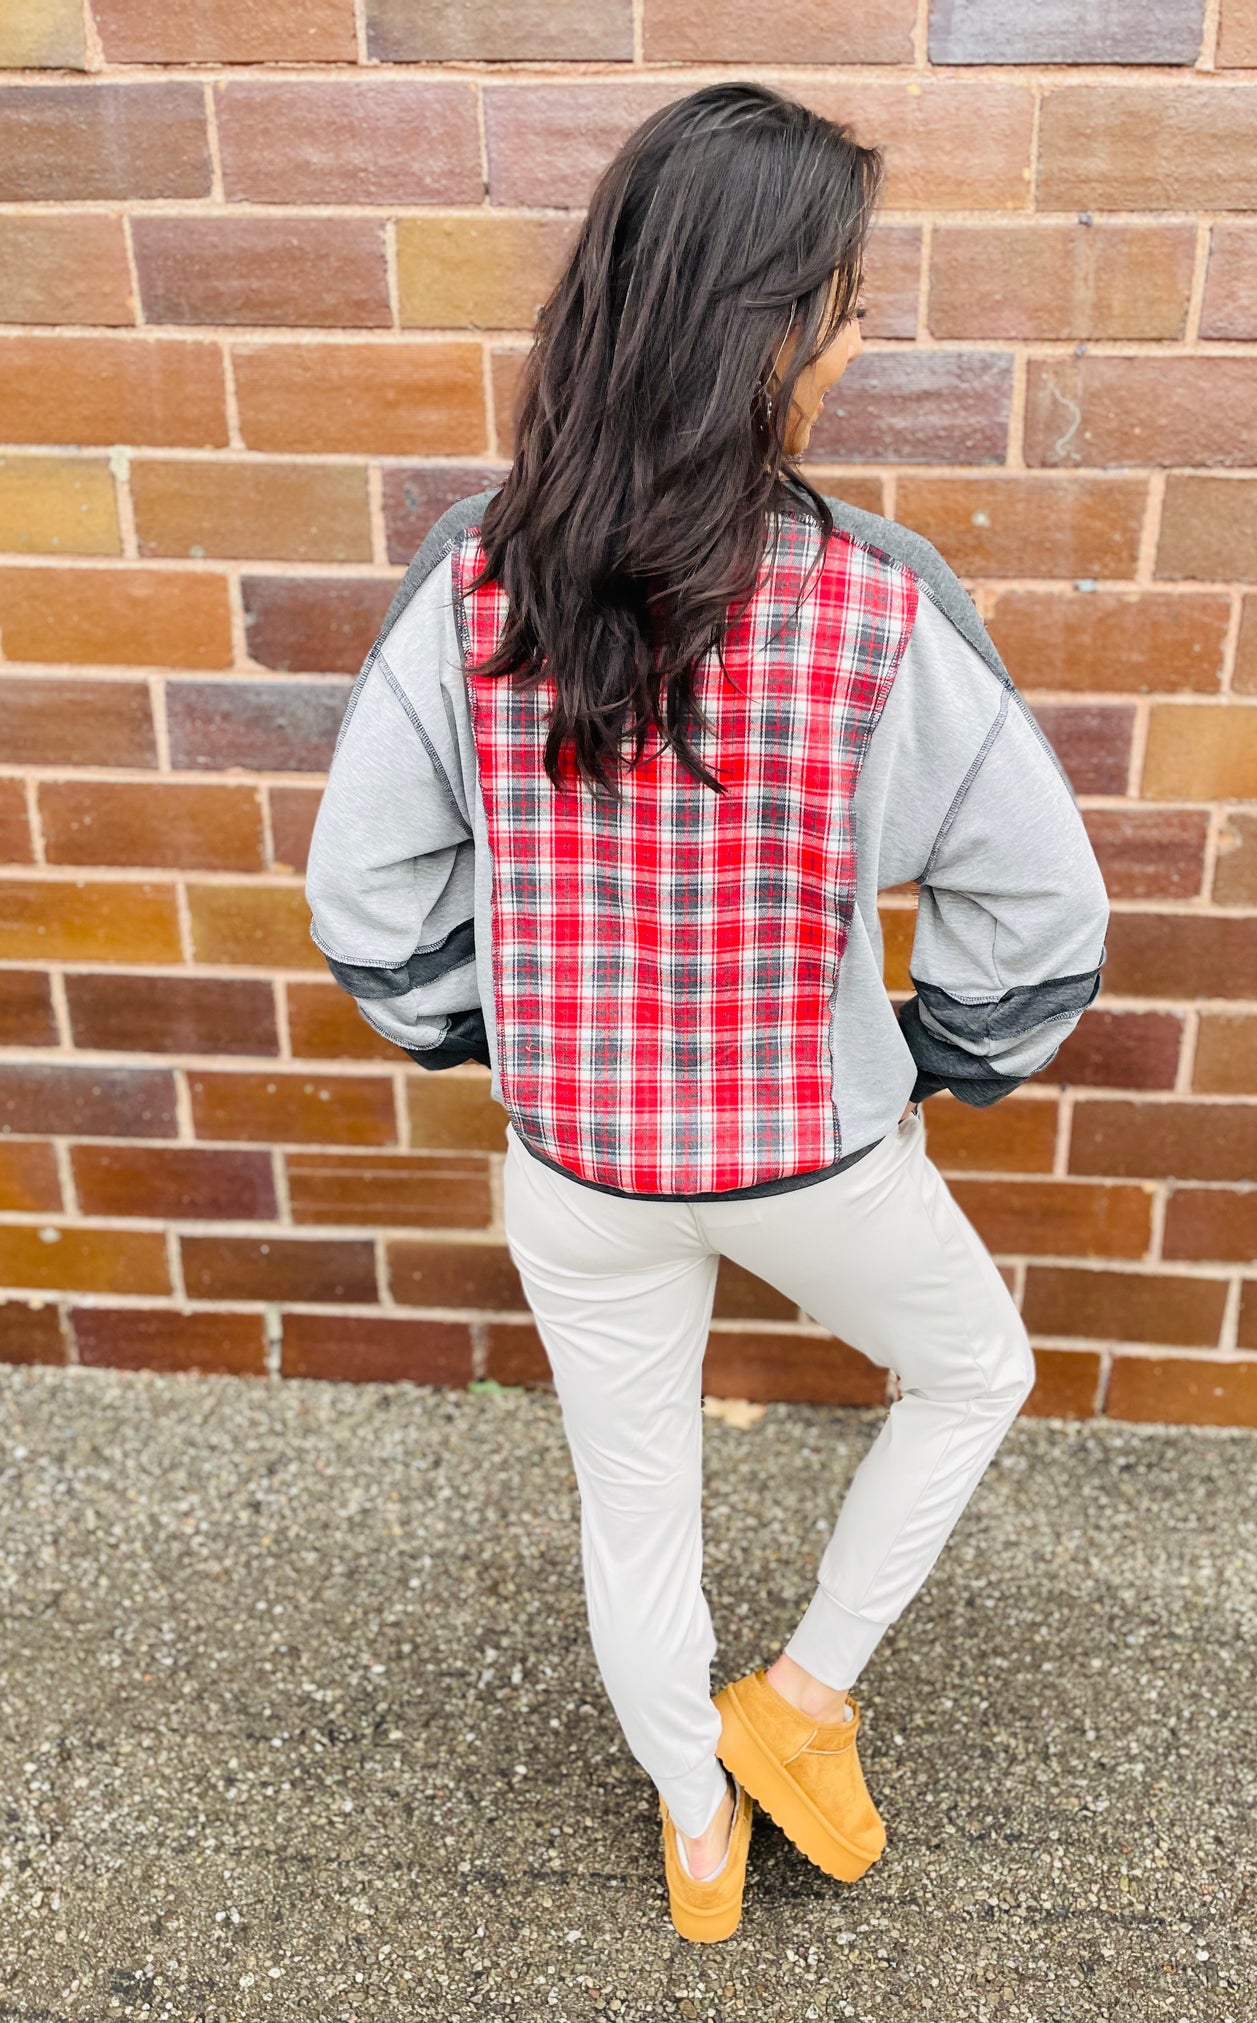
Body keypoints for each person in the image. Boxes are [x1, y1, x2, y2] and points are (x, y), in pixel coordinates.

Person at [306, 81, 1110, 1945]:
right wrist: (933, 1056)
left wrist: (484, 1039)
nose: (852, 336)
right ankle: (799, 1706)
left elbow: (367, 907)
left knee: (632, 1505)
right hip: (806, 1147)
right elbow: (1041, 918)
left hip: (576, 1159)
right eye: (838, 302)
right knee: (973, 1371)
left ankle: (694, 1837)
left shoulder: (474, 581)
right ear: (766, 329)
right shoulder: (871, 605)